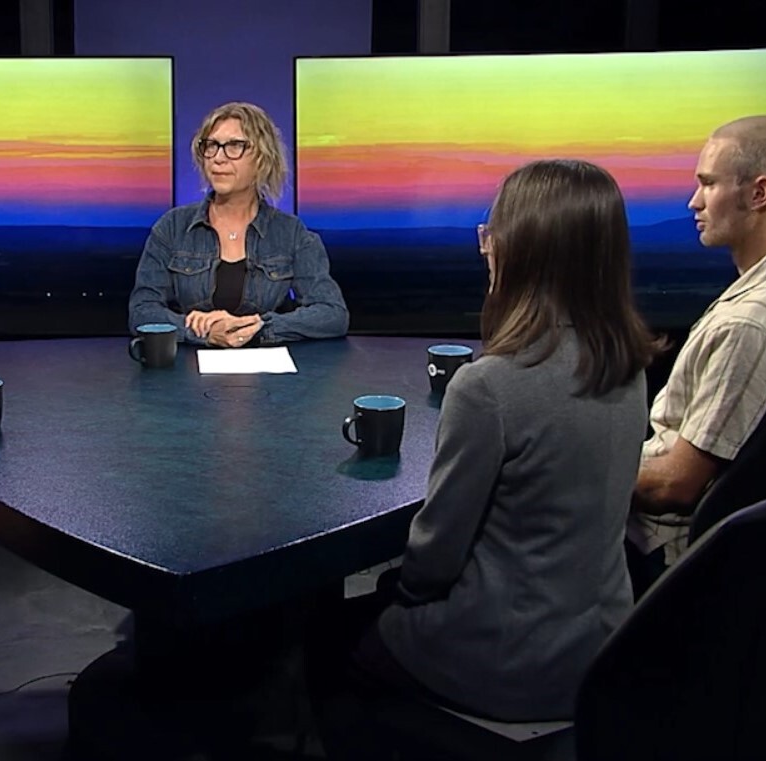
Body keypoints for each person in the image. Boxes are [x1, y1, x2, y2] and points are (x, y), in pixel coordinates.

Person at [306, 159, 663, 752]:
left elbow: (433, 561)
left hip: (504, 660)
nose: (485, 247)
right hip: (602, 648)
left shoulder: (489, 386)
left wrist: (402, 589)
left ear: (524, 252)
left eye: (492, 232)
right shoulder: (625, 366)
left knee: (321, 634)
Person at [625, 115, 766, 594]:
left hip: (658, 549)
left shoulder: (749, 328)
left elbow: (675, 487)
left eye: (708, 184)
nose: (694, 201)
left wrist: (584, 471)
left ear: (759, 194)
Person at [127, 101, 348, 347]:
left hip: (269, 377)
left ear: (263, 158)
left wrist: (257, 327)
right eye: (210, 146)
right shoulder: (173, 227)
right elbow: (142, 310)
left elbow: (332, 314)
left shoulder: (291, 233)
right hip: (185, 372)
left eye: (235, 146)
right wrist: (203, 331)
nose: (218, 158)